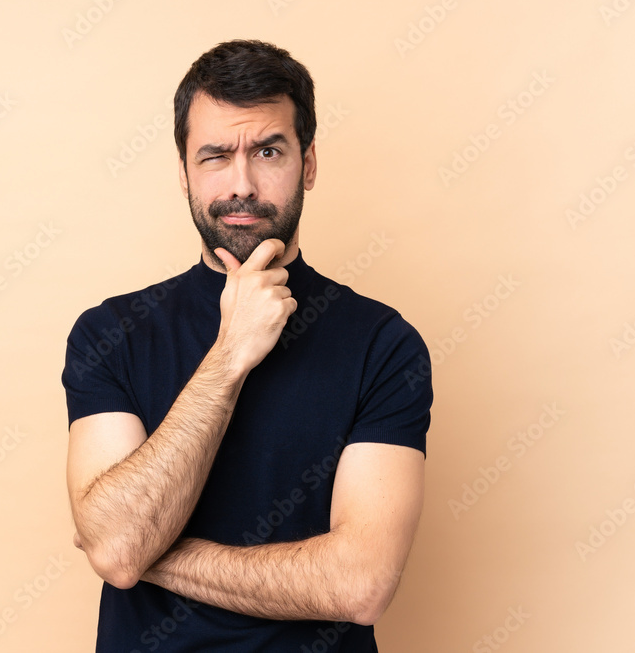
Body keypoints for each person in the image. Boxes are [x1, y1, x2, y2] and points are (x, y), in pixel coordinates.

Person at [63, 39, 432, 651]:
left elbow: (360, 585)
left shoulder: (383, 344)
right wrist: (231, 353)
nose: (242, 184)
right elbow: (117, 548)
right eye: (215, 156)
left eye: (268, 151)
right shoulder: (110, 335)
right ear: (183, 171)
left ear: (307, 164)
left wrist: (148, 554)